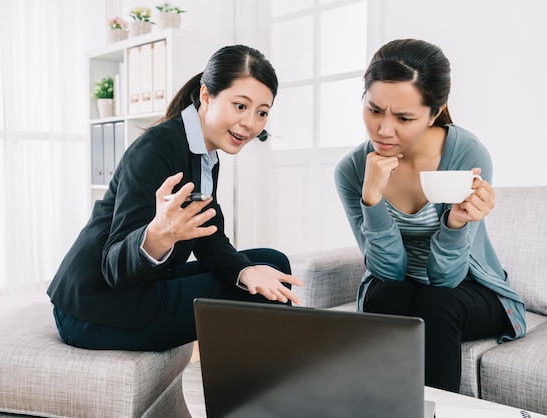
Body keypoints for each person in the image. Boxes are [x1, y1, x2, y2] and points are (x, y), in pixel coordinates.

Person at [48, 45, 303, 352]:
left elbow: (209, 238)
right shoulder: (157, 148)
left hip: (142, 287)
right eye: (240, 106)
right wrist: (156, 237)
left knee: (269, 264)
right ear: (207, 97)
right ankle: (270, 385)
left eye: (262, 112)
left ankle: (272, 376)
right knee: (261, 291)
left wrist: (243, 271)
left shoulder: (205, 153)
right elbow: (115, 268)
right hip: (94, 310)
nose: (250, 123)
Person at [334, 38, 526, 392]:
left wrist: (456, 223)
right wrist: (372, 201)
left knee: (435, 302)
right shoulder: (352, 170)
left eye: (404, 117)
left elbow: (447, 278)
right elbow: (386, 272)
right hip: (399, 284)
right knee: (384, 296)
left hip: (467, 286)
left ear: (435, 113)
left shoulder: (465, 153)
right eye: (374, 110)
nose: (383, 130)